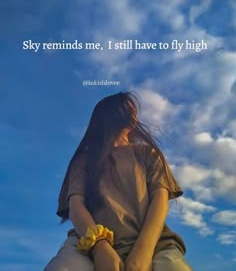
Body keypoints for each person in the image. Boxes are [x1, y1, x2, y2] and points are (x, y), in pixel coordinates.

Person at [44, 91, 193, 271]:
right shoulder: (84, 160)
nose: (134, 113)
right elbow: (76, 207)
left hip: (154, 243)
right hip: (87, 243)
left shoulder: (148, 154)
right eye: (127, 107)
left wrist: (143, 251)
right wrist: (100, 248)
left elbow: (160, 201)